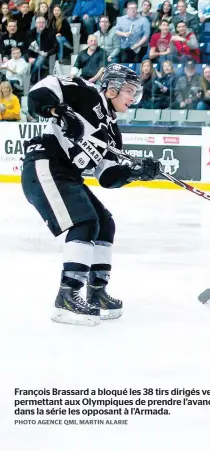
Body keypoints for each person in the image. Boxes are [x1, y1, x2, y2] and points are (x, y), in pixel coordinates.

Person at [21, 65, 161, 327]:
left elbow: (107, 176)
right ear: (111, 89)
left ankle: (95, 292)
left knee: (104, 223)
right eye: (129, 91)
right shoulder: (86, 94)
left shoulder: (112, 132)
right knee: (85, 222)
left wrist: (136, 173)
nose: (132, 98)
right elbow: (38, 93)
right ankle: (66, 296)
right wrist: (60, 111)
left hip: (67, 175)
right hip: (45, 163)